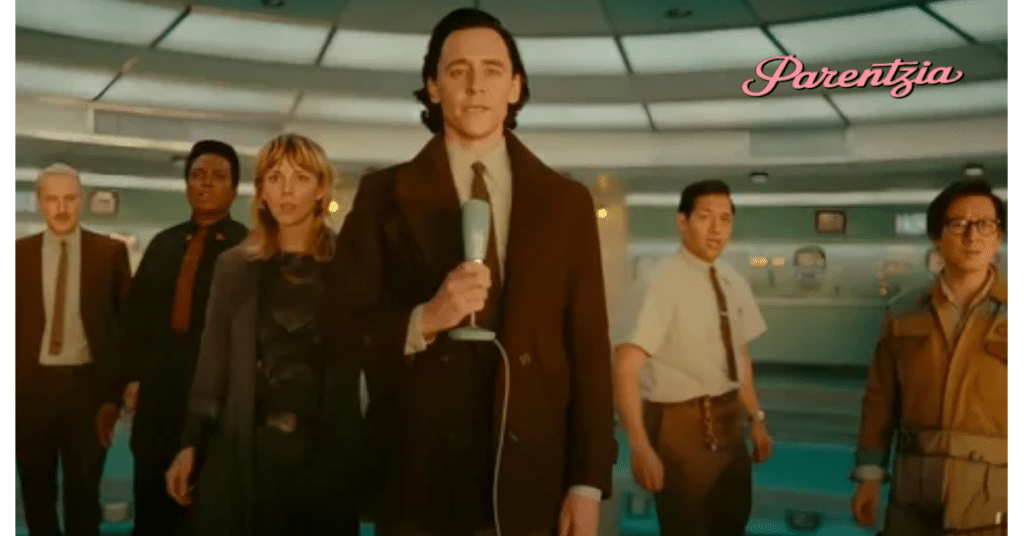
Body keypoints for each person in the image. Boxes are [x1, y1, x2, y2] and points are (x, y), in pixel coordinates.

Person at [325, 8, 616, 536]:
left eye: (492, 70)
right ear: (433, 88)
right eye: (458, 71)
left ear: (515, 87)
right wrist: (424, 320)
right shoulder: (381, 196)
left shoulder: (566, 202)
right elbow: (339, 330)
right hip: (419, 475)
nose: (476, 85)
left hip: (534, 474)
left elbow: (590, 348)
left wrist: (587, 481)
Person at [164, 134, 360, 536]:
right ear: (262, 191)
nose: (286, 190)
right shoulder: (234, 267)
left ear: (321, 189)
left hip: (323, 456)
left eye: (300, 178)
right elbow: (212, 364)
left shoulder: (350, 267)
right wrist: (190, 442)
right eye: (275, 178)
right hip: (248, 453)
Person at [613, 179, 774, 536]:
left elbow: (741, 357)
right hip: (678, 426)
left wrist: (756, 418)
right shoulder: (659, 283)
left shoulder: (733, 280)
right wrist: (639, 446)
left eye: (725, 219)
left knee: (732, 521)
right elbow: (625, 368)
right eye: (705, 217)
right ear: (682, 222)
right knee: (687, 526)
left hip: (730, 423)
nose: (716, 229)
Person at [851, 179, 1007, 535]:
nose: (972, 236)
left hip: (996, 501)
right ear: (937, 238)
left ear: (998, 237)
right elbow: (880, 399)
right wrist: (870, 476)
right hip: (914, 497)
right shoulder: (904, 312)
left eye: (985, 225)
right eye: (958, 224)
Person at [119, 140, 248, 536]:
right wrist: (132, 377)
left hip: (216, 403)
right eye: (197, 175)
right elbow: (134, 319)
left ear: (234, 188)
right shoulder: (163, 244)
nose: (206, 183)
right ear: (186, 184)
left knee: (206, 513)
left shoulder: (248, 249)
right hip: (158, 399)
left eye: (218, 176)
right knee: (152, 510)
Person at [15, 164, 132, 536]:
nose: (62, 208)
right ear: (40, 203)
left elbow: (126, 328)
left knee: (83, 499)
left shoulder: (110, 253)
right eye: (53, 199)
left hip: (88, 394)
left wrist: (115, 395)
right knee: (37, 497)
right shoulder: (16, 256)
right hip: (29, 394)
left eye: (69, 198)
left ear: (81, 201)